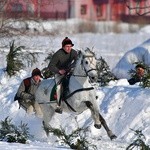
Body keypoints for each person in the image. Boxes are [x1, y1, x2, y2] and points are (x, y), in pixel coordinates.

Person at [48, 37, 78, 114]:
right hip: (59, 73)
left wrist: (71, 67)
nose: (69, 48)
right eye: (67, 46)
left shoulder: (74, 52)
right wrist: (59, 71)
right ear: (63, 47)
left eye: (70, 46)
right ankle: (58, 105)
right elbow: (50, 66)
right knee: (58, 87)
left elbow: (77, 61)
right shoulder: (57, 54)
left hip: (69, 71)